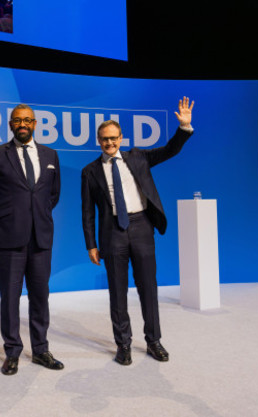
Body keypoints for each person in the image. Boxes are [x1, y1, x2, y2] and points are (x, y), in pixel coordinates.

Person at [81, 97, 195, 366]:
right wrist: (91, 244)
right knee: (117, 292)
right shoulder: (90, 172)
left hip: (142, 227)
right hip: (112, 233)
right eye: (104, 139)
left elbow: (170, 150)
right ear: (99, 141)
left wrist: (184, 129)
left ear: (121, 137)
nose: (109, 143)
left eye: (113, 138)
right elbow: (87, 212)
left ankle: (153, 341)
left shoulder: (139, 157)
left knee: (148, 288)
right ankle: (123, 345)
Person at [0, 104, 63, 375]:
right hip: (9, 240)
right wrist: (10, 218)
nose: (23, 124)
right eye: (18, 120)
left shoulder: (50, 154)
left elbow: (53, 195)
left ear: (35, 123)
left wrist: (35, 216)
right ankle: (12, 351)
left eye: (28, 120)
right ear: (11, 124)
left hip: (41, 239)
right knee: (10, 298)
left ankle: (41, 350)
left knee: (40, 296)